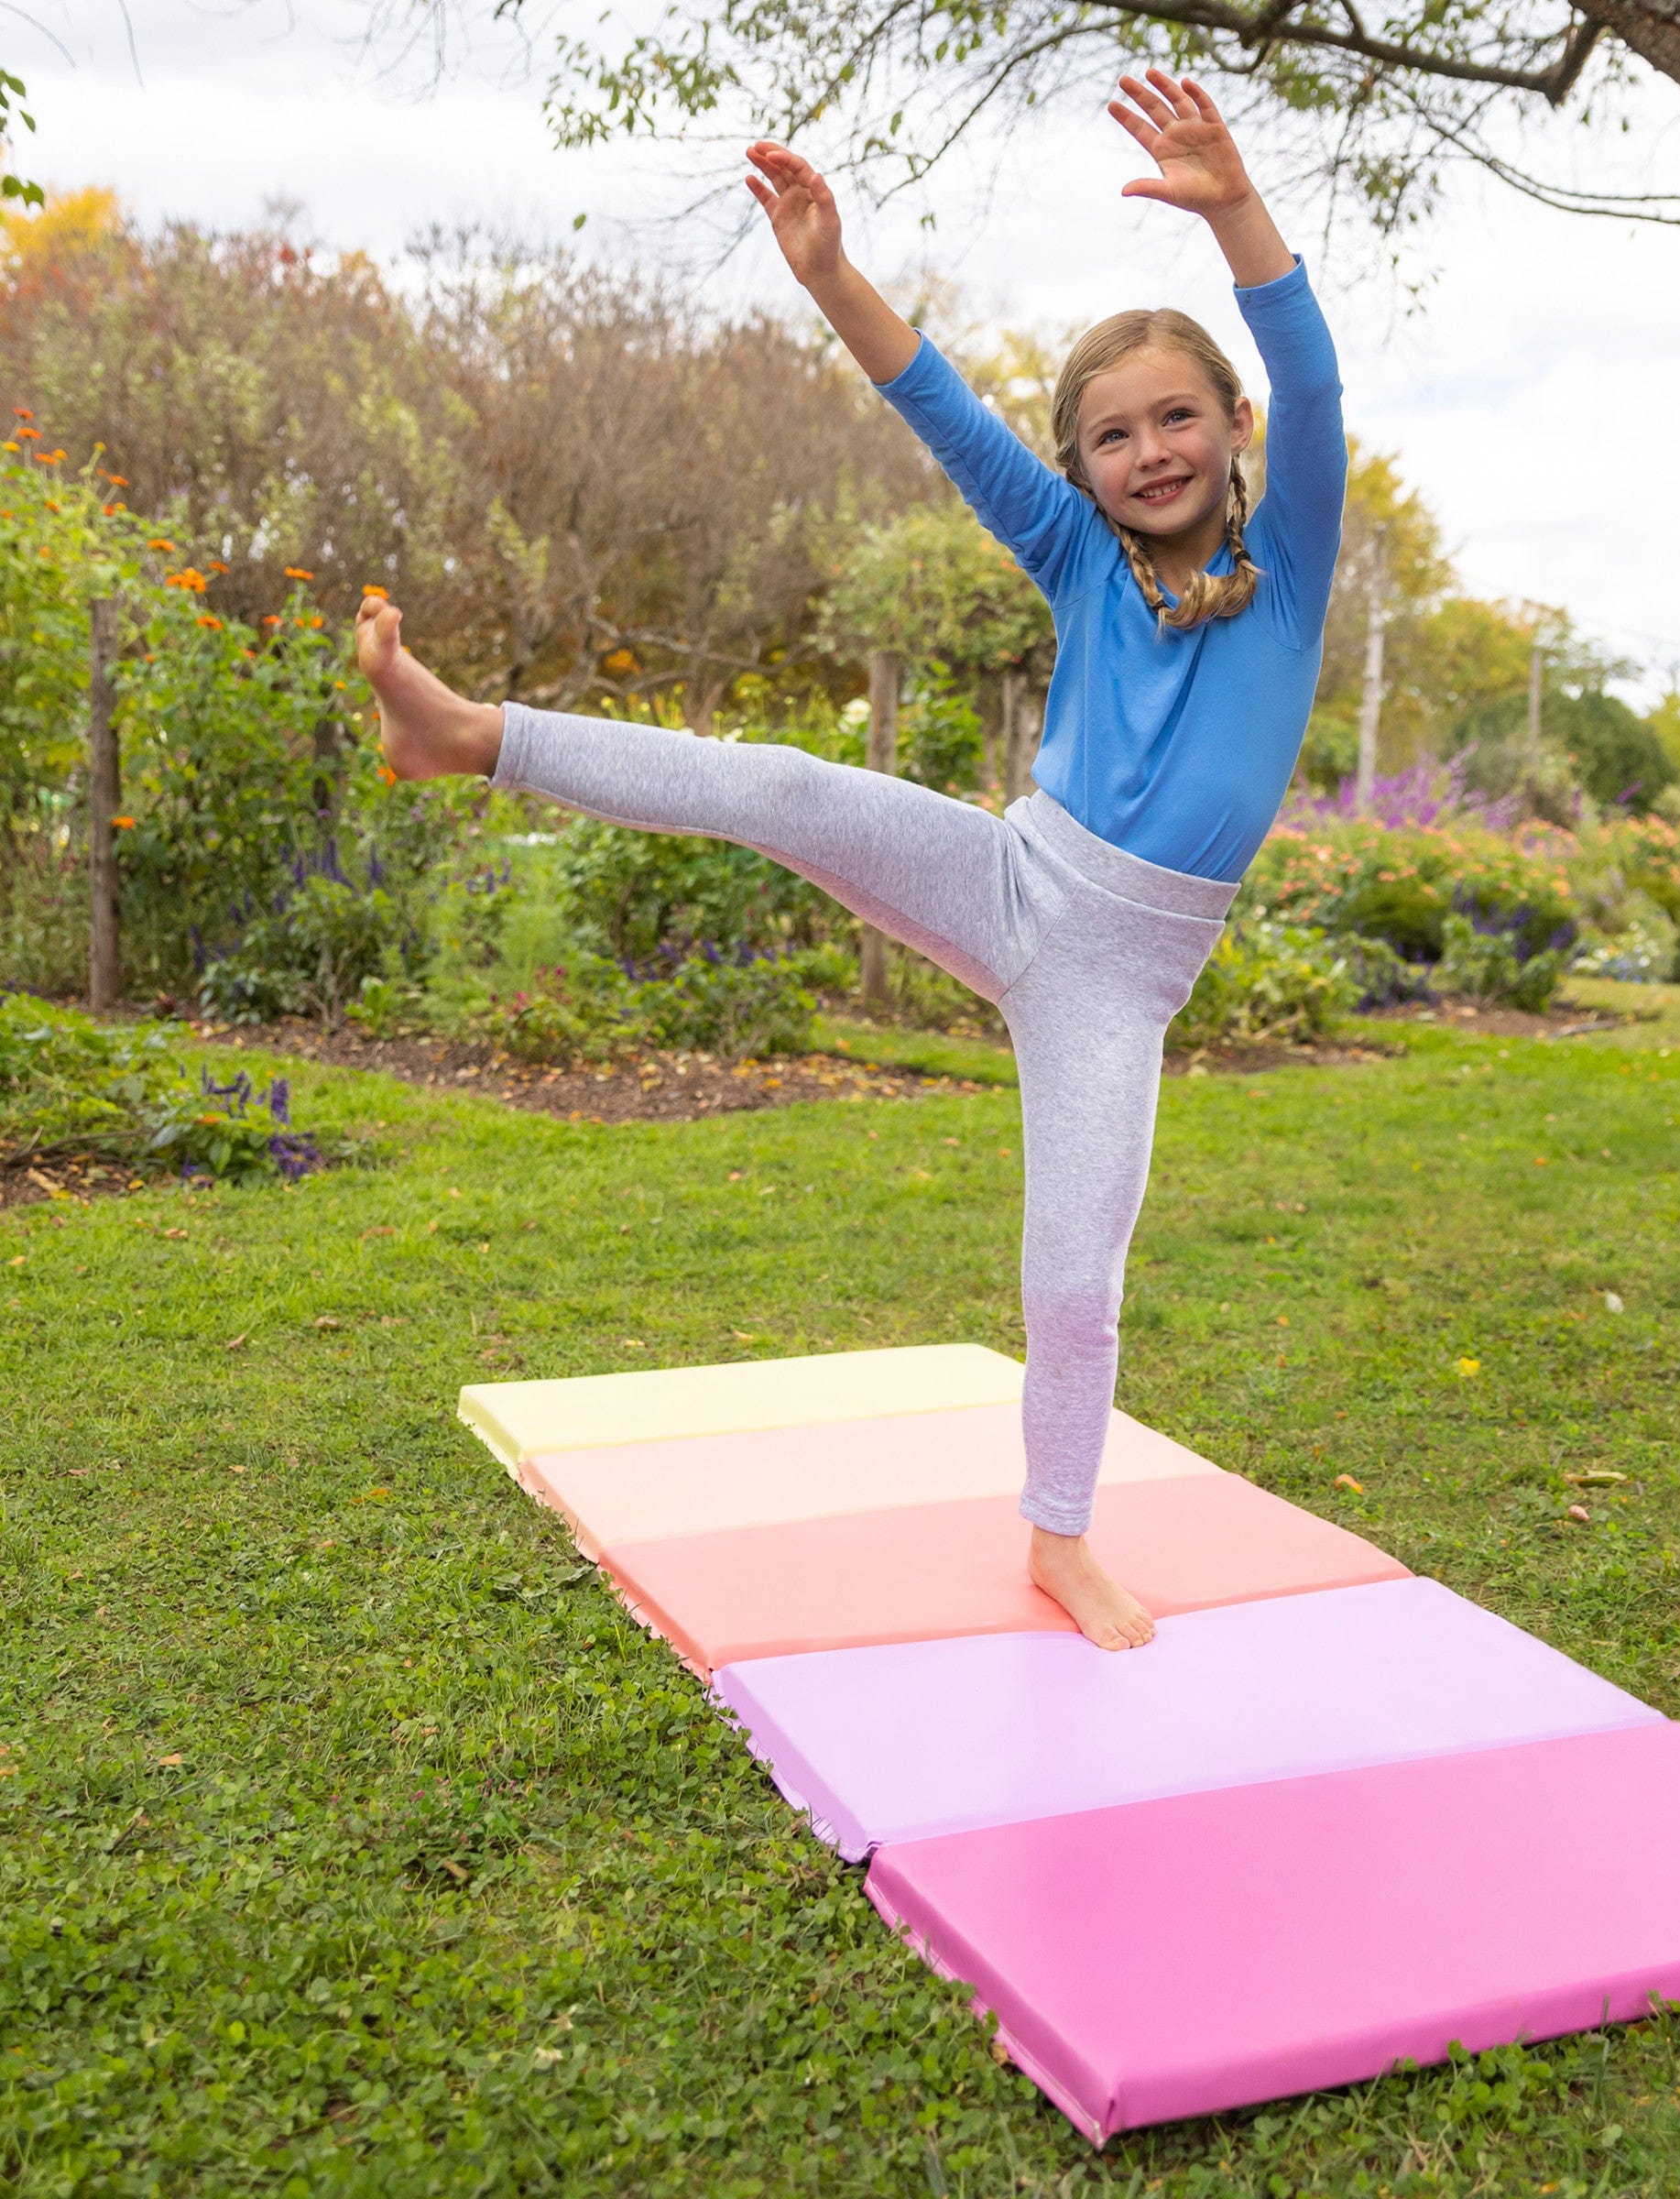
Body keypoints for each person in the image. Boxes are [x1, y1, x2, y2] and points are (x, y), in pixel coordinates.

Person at [355, 68, 1346, 1650]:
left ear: (1237, 431)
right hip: (1017, 876)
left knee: (1075, 1281)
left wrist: (1231, 206)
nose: (1148, 450)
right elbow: (942, 409)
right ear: (1081, 469)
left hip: (1121, 975)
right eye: (1110, 434)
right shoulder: (1078, 555)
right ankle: (466, 734)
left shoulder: (1290, 560)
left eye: (1177, 418)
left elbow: (1305, 348)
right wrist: (828, 276)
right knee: (784, 787)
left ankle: (1057, 1537)